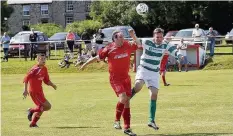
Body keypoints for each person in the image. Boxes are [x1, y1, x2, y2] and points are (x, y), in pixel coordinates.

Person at [80, 29, 140, 136]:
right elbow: (97, 58)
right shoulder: (109, 48)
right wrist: (85, 64)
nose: (123, 38)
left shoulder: (127, 44)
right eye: (121, 36)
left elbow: (139, 45)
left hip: (126, 78)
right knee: (123, 98)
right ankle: (116, 121)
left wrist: (133, 35)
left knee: (127, 102)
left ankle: (127, 128)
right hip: (115, 79)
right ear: (115, 39)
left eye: (123, 36)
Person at [131, 28, 184, 131]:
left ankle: (151, 120)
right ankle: (127, 98)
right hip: (144, 68)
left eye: (161, 37)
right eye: (157, 37)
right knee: (138, 86)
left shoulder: (165, 44)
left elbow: (174, 50)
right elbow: (137, 41)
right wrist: (133, 35)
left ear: (162, 36)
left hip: (154, 72)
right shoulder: (147, 41)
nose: (159, 39)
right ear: (153, 36)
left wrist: (179, 55)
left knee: (154, 94)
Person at [22, 53, 57, 127]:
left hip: (40, 92)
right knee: (47, 106)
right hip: (34, 92)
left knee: (43, 108)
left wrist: (53, 85)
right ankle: (31, 110)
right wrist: (25, 90)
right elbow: (26, 79)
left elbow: (46, 80)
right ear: (37, 60)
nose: (43, 60)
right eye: (41, 59)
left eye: (44, 59)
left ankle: (33, 123)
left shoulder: (44, 68)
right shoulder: (34, 69)